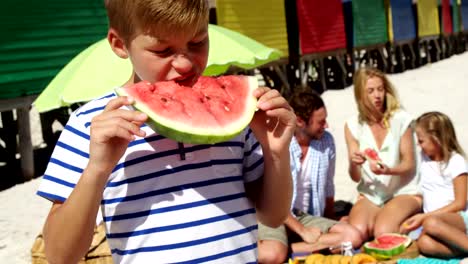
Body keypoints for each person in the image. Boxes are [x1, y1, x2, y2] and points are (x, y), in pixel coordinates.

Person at [36, 1, 296, 263]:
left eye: (197, 43)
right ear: (118, 44)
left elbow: (272, 216)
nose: (184, 64)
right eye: (162, 50)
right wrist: (97, 169)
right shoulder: (91, 126)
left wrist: (276, 152)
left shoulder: (242, 121)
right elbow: (61, 255)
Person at [258, 90, 362, 264]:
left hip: (303, 216)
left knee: (352, 236)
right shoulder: (277, 142)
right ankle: (285, 248)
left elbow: (329, 185)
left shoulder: (326, 141)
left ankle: (289, 248)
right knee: (271, 256)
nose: (326, 126)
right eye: (321, 122)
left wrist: (330, 219)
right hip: (276, 215)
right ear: (299, 121)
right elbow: (269, 199)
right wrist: (302, 231)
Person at [344, 67, 422, 242]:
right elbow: (355, 177)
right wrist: (354, 163)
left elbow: (409, 165)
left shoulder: (401, 119)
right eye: (370, 91)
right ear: (360, 95)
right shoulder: (352, 126)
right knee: (356, 233)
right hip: (372, 193)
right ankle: (384, 217)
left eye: (380, 89)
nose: (377, 95)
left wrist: (388, 170)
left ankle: (404, 223)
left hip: (403, 190)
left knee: (383, 233)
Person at [400, 112, 468, 258]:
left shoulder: (456, 162)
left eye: (421, 140)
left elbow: (460, 203)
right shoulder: (423, 158)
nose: (418, 144)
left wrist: (424, 217)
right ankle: (463, 251)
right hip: (435, 223)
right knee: (424, 243)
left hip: (459, 219)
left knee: (431, 223)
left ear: (437, 139)